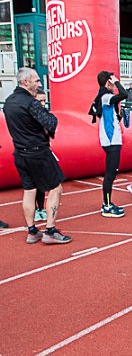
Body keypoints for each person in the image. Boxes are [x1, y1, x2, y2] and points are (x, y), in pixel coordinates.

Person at [3, 67, 72, 244]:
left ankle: (32, 231)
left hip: (20, 154)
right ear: (25, 82)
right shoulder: (31, 103)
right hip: (38, 153)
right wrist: (50, 115)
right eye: (36, 81)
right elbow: (50, 123)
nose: (39, 84)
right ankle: (50, 231)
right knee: (55, 188)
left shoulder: (8, 102)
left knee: (29, 191)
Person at [93, 70, 129, 217]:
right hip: (110, 141)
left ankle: (107, 203)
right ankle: (106, 205)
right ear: (108, 83)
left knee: (111, 174)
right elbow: (124, 94)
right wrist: (116, 81)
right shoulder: (105, 97)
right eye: (112, 83)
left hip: (113, 140)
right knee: (110, 175)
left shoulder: (106, 98)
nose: (114, 86)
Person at [33, 87, 48, 222]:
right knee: (32, 185)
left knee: (41, 184)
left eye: (44, 101)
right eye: (40, 101)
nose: (43, 104)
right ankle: (34, 210)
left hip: (42, 151)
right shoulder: (28, 116)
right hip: (30, 153)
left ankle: (41, 209)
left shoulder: (44, 115)